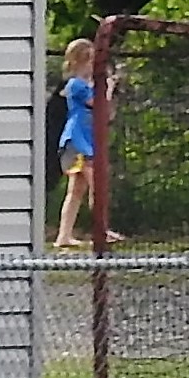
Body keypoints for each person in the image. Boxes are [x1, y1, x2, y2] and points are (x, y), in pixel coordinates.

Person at [52, 38, 117, 251]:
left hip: (85, 140)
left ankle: (64, 235)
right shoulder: (76, 85)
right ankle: (102, 231)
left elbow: (107, 114)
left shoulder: (87, 86)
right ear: (82, 62)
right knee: (97, 185)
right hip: (77, 141)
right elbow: (98, 105)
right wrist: (107, 89)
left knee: (77, 190)